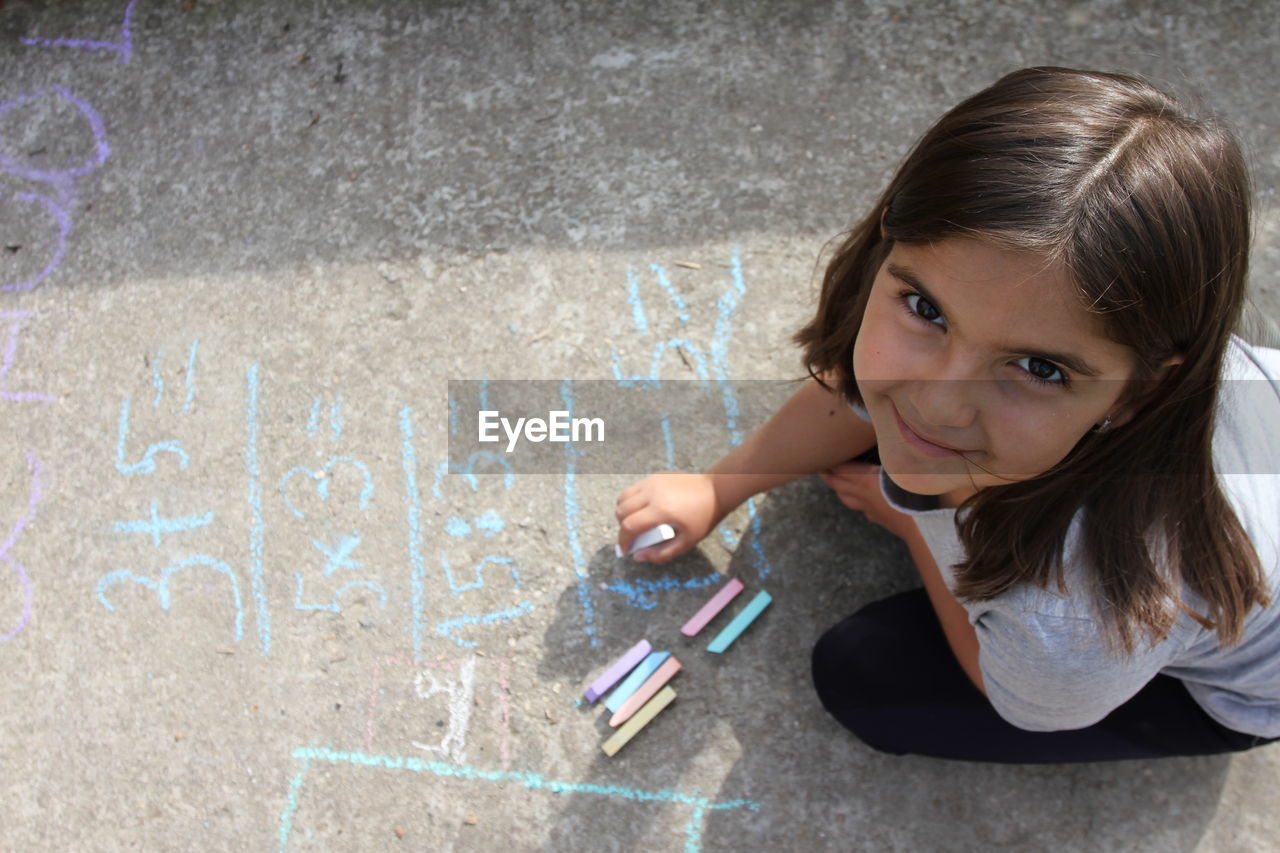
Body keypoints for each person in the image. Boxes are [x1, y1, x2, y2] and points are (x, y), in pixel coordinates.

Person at [613, 66, 1280, 763]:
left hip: (1242, 685)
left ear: (1143, 392)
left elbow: (1008, 691)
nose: (934, 399)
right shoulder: (1071, 336)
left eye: (1039, 367)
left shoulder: (1081, 626)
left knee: (864, 673)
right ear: (887, 245)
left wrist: (914, 524)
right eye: (927, 309)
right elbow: (856, 390)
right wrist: (719, 487)